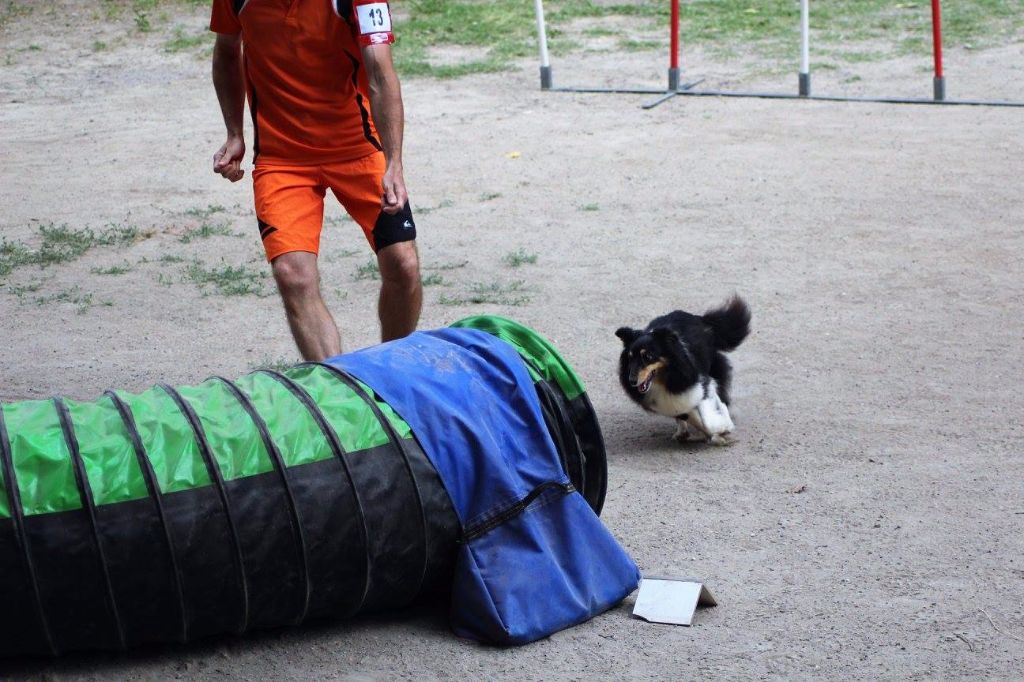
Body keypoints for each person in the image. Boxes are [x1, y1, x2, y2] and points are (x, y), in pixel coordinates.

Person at [209, 0, 421, 361]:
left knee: (403, 264)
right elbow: (227, 50)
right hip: (282, 159)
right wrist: (234, 132)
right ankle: (337, 393)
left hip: (359, 150)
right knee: (293, 275)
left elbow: (381, 74)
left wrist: (394, 162)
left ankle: (392, 368)